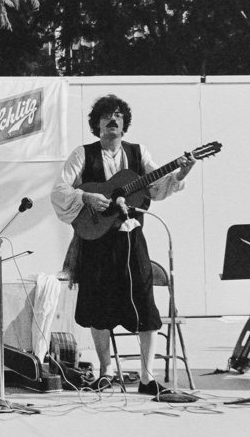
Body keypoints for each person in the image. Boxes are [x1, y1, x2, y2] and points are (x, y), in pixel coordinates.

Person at [50, 94, 195, 396]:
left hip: (131, 238)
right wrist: (86, 197)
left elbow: (156, 187)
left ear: (124, 124)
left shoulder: (138, 152)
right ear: (97, 124)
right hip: (96, 241)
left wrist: (182, 172)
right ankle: (106, 371)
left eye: (117, 116)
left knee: (144, 301)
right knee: (97, 304)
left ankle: (146, 376)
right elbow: (60, 189)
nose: (111, 120)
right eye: (105, 116)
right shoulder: (83, 154)